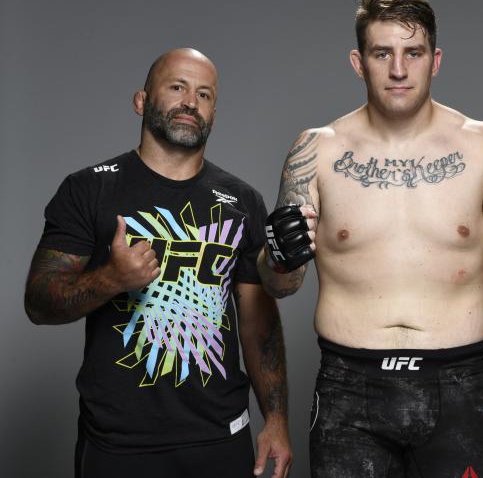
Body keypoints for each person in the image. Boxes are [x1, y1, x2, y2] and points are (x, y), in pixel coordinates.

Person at [258, 0, 483, 478]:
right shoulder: (316, 151)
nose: (398, 69)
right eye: (382, 54)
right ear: (358, 62)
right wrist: (278, 258)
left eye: (413, 53)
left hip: (459, 387)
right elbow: (280, 286)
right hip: (348, 391)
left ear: (435, 60)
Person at [24, 48, 292, 478]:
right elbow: (38, 302)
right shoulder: (88, 190)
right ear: (141, 101)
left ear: (214, 112)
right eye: (177, 87)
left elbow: (259, 322)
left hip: (220, 436)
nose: (191, 102)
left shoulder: (242, 201)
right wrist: (111, 278)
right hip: (119, 441)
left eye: (204, 95)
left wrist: (276, 422)